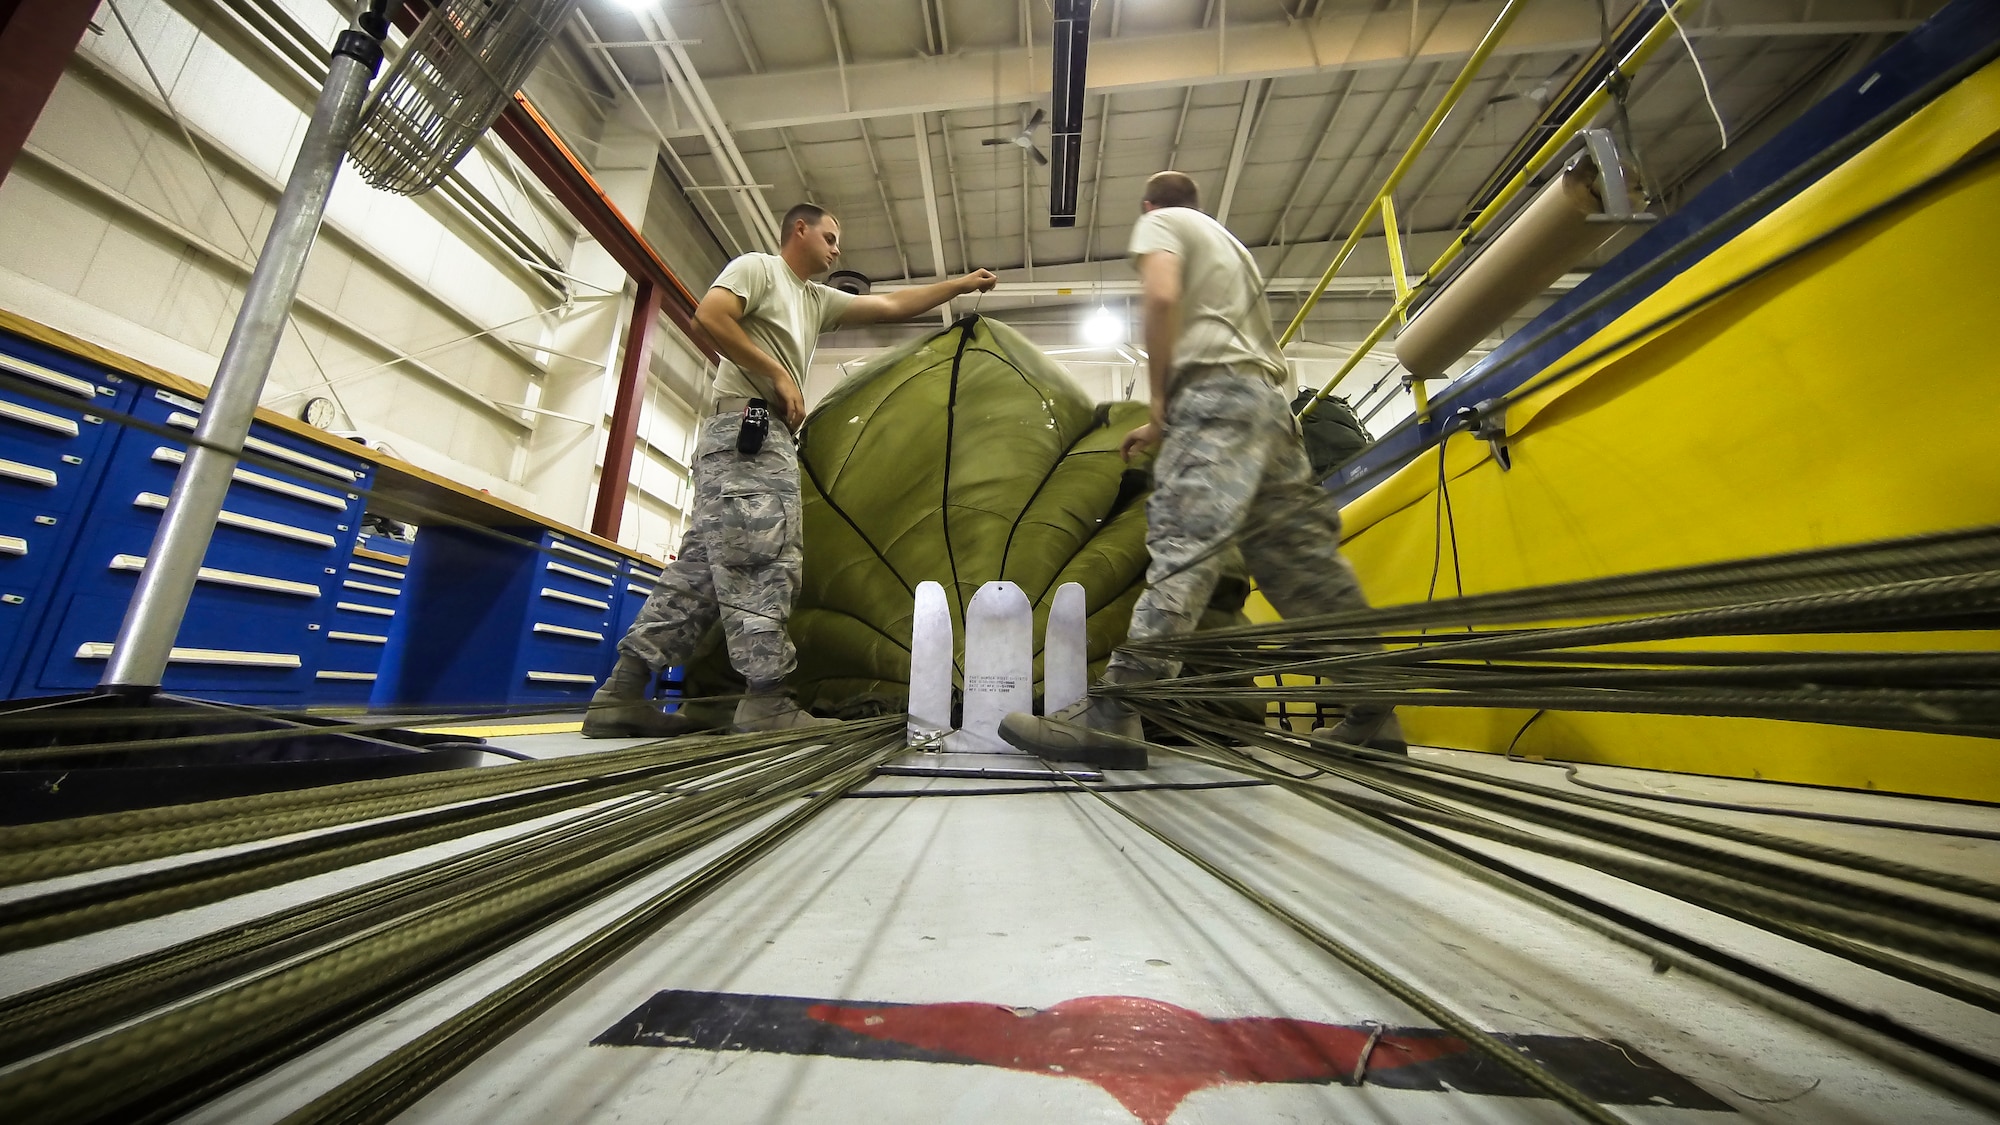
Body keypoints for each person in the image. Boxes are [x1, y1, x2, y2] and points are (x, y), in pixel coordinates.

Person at [998, 171, 1403, 765]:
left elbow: (1161, 296)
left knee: (1183, 543)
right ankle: (1374, 714)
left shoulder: (1161, 224)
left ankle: (1115, 713)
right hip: (1269, 408)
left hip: (1212, 400)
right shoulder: (1232, 248)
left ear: (1148, 206)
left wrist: (1161, 405)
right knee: (1301, 564)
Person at [587, 204, 998, 736]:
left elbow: (892, 304)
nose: (837, 249)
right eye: (830, 236)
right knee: (766, 560)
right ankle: (765, 701)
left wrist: (961, 284)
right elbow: (709, 316)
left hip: (746, 441)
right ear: (798, 230)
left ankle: (621, 691)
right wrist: (778, 372)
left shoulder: (814, 299)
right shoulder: (757, 269)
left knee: (702, 575)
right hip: (748, 435)